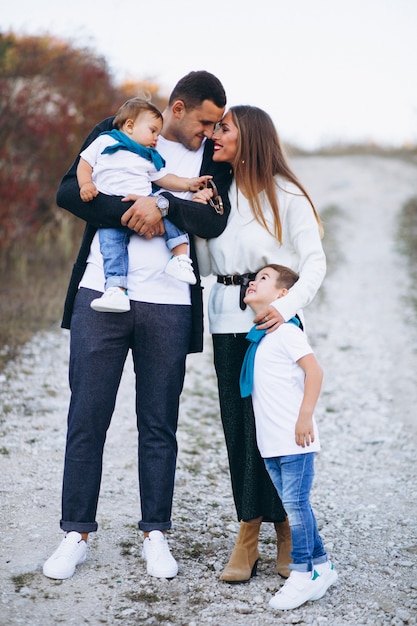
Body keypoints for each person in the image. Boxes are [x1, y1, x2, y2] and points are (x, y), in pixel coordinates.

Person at [42, 71, 232, 581]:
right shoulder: (116, 130)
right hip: (100, 296)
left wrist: (163, 203)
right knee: (87, 417)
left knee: (158, 423)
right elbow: (67, 191)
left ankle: (155, 535)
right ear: (176, 108)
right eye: (205, 122)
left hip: (170, 303)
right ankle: (75, 533)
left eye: (217, 125)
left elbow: (214, 218)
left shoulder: (213, 158)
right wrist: (131, 210)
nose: (211, 133)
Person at [193, 105, 326, 583]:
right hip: (227, 318)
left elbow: (315, 264)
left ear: (248, 136)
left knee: (276, 427)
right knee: (238, 426)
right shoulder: (219, 192)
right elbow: (208, 267)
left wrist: (285, 311)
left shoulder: (286, 194)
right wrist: (198, 220)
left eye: (223, 129)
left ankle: (286, 526)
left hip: (275, 323)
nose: (213, 137)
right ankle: (248, 529)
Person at [241, 263, 337, 610]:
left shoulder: (287, 331)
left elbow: (314, 371)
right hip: (273, 443)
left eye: (263, 278)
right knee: (296, 505)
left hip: (294, 439)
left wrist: (305, 417)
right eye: (254, 278)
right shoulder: (265, 336)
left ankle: (302, 573)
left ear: (284, 295)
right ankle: (322, 566)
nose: (252, 281)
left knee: (295, 506)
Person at [77, 97, 214, 313]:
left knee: (169, 214)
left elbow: (164, 178)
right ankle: (116, 290)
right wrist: (86, 184)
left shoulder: (148, 156)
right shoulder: (105, 141)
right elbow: (84, 164)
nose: (156, 138)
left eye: (158, 134)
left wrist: (188, 184)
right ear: (130, 126)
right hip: (112, 215)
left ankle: (180, 258)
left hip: (147, 202)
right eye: (152, 131)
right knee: (111, 248)